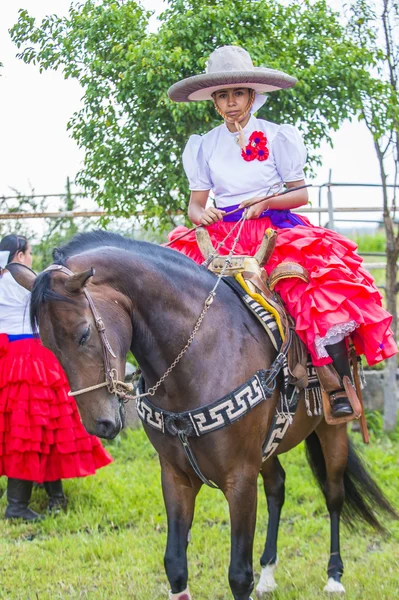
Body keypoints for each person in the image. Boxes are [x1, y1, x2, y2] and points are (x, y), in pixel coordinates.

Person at [167, 45, 398, 418]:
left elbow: (301, 194)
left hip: (274, 229)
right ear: (213, 102)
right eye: (222, 96)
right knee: (175, 292)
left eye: (237, 93)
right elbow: (195, 204)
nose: (230, 102)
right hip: (225, 232)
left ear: (252, 95)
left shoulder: (277, 136)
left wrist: (267, 202)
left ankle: (336, 385)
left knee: (307, 291)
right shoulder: (204, 145)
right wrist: (200, 215)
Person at [0, 234, 113, 521]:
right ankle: (17, 506)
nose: (30, 257)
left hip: (9, 357)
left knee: (30, 428)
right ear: (19, 256)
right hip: (33, 358)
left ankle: (54, 497)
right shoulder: (26, 282)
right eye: (29, 253)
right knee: (36, 427)